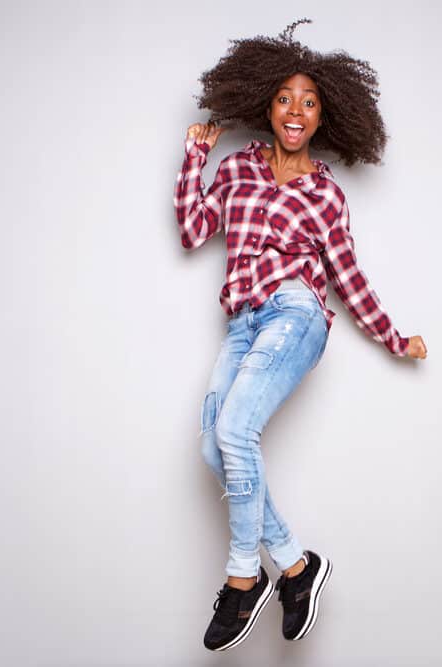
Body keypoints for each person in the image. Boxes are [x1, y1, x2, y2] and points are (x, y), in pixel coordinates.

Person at [173, 18, 428, 651]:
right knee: (214, 448)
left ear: (323, 118)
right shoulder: (237, 168)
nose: (295, 109)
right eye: (286, 98)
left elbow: (347, 277)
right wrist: (195, 157)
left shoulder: (325, 196)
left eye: (309, 102)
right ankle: (294, 566)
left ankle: (241, 580)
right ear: (267, 104)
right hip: (241, 322)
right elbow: (192, 230)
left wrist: (396, 338)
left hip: (296, 315)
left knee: (235, 431)